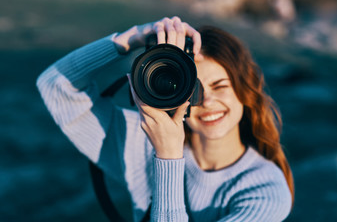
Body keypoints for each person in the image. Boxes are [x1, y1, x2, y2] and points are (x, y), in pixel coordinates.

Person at [37, 16, 294, 222]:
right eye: (194, 89)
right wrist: (134, 38)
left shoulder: (266, 191)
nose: (207, 101)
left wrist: (169, 156)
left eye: (220, 85)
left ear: (244, 91)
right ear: (176, 93)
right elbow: (55, 86)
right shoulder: (142, 142)